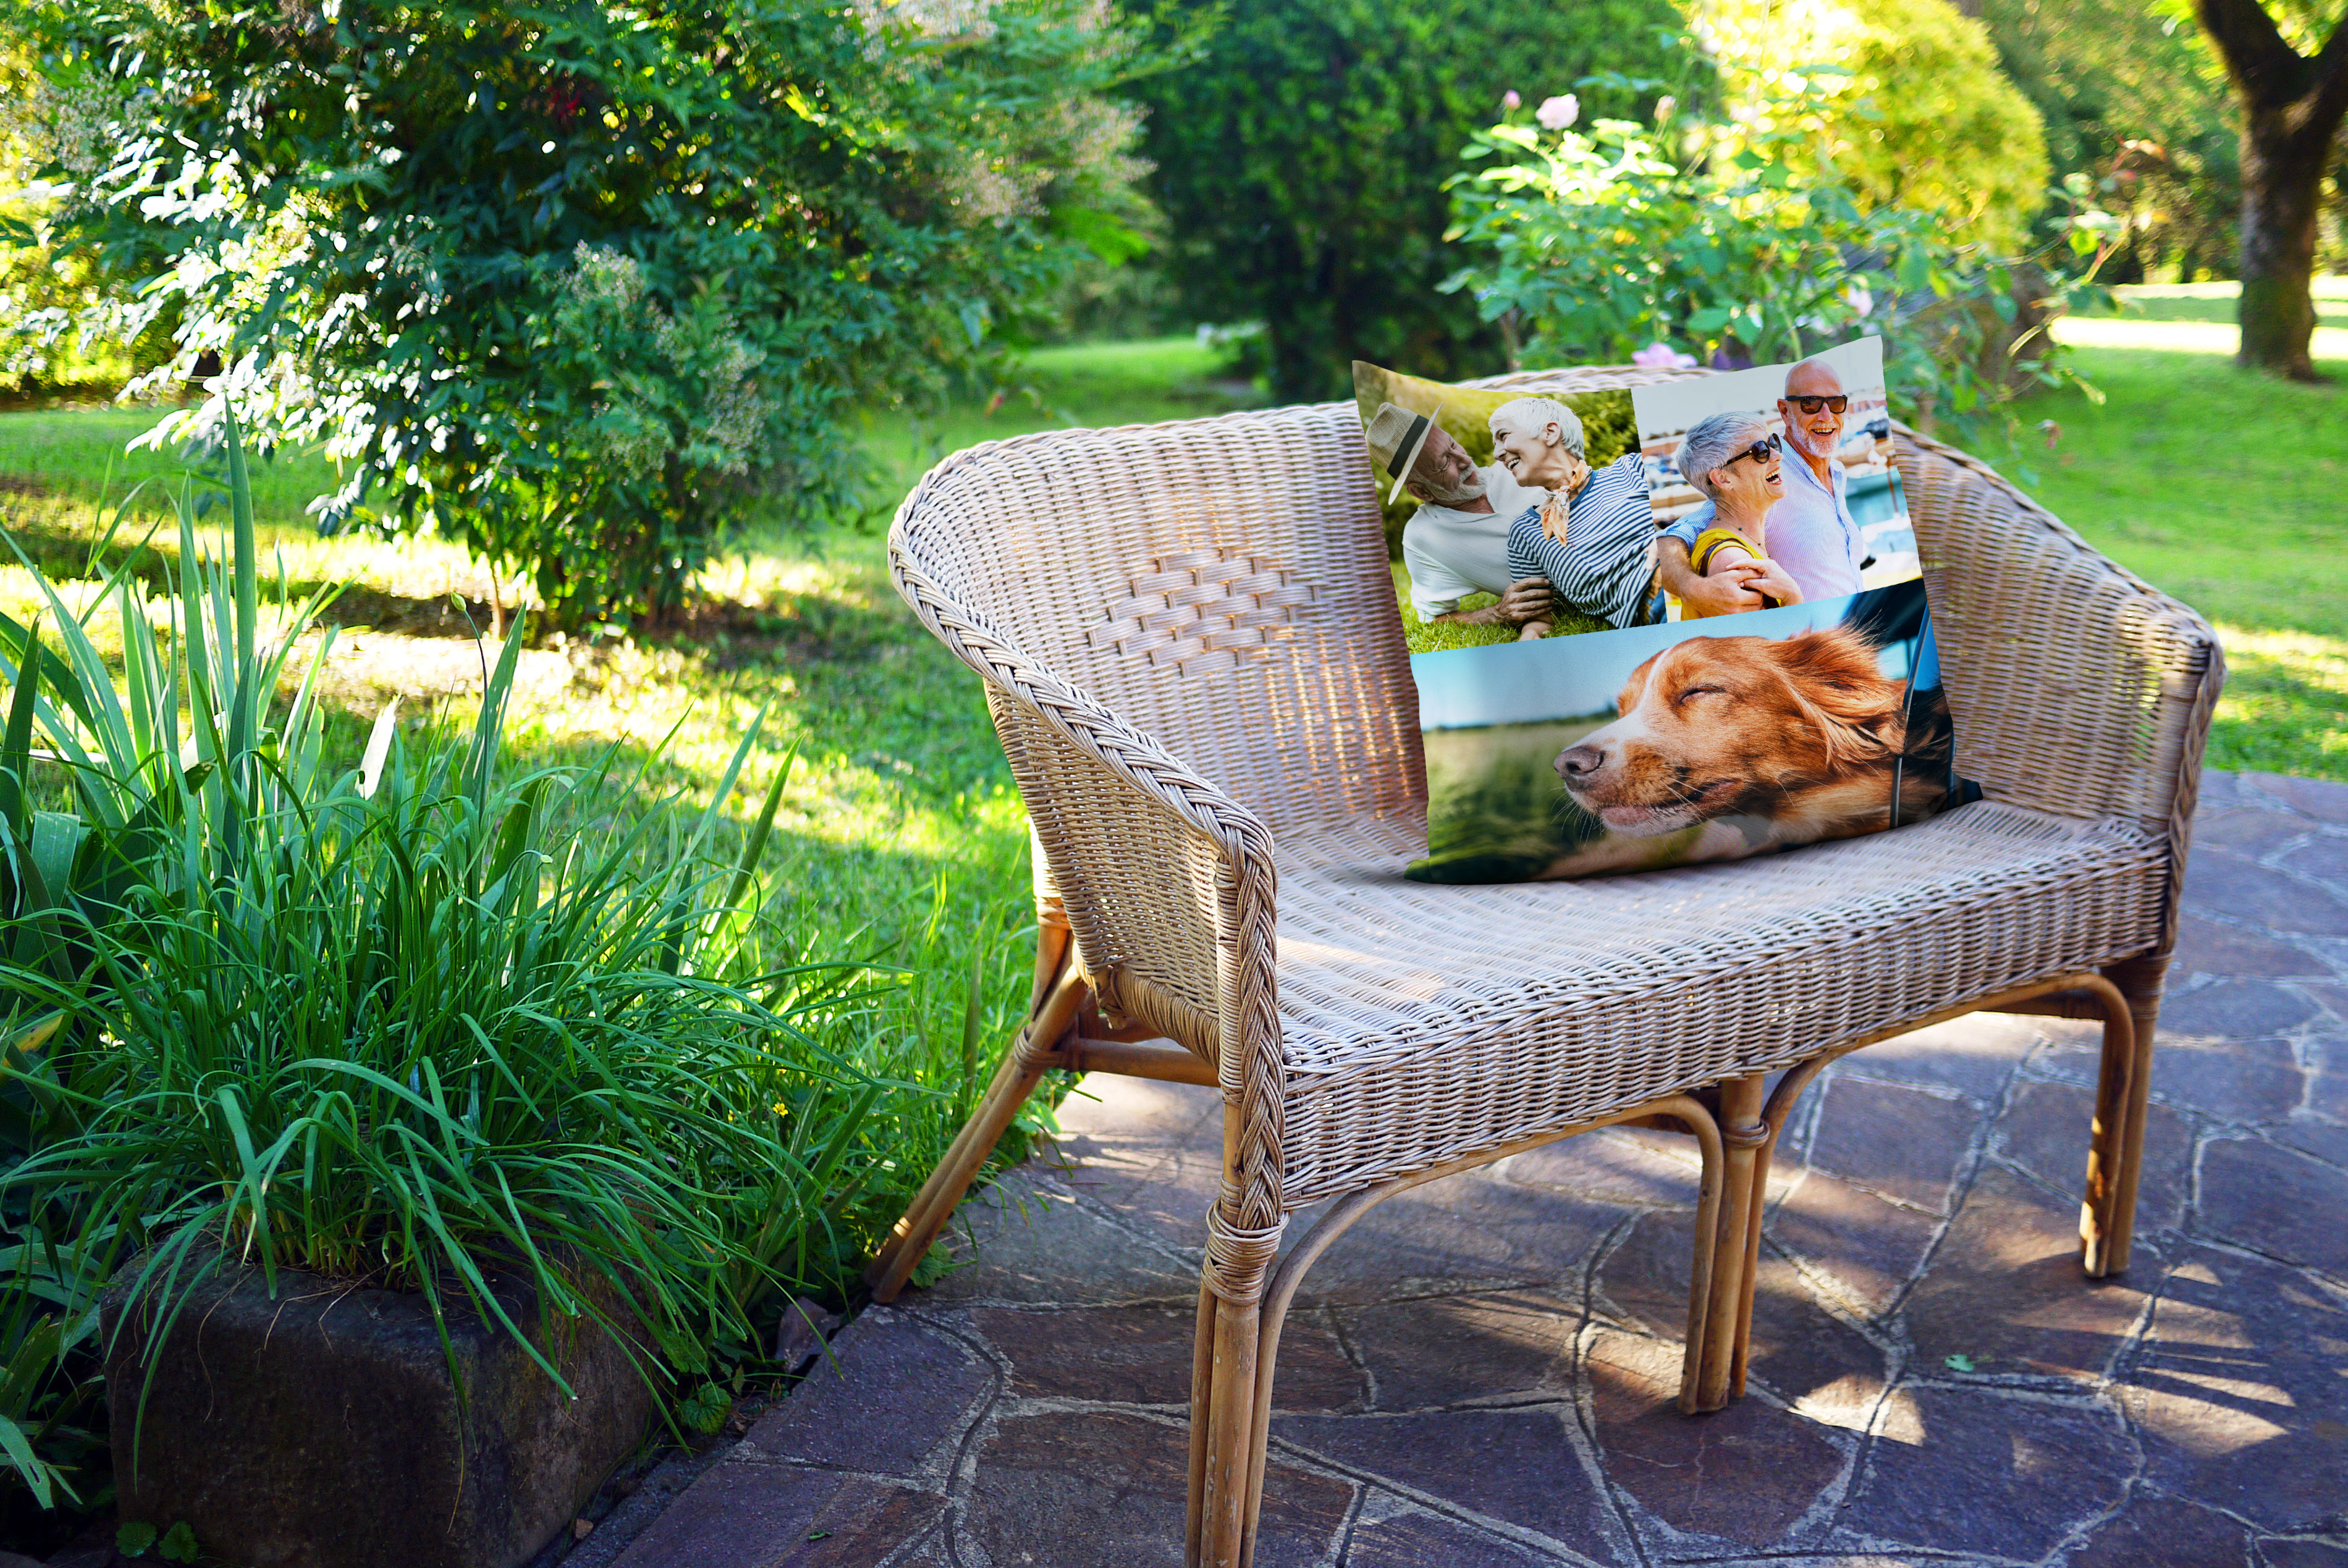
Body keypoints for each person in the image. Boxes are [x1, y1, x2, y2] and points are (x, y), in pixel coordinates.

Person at [1655, 355, 1869, 610]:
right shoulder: (1766, 480)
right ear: (1785, 412)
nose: (1826, 415)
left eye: (1835, 403)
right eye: (1810, 403)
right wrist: (1693, 589)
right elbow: (1670, 540)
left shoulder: (1837, 472)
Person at [1487, 395, 1660, 636]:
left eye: (1503, 436)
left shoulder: (1631, 469)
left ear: (1550, 433)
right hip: (1652, 610)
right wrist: (1530, 636)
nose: (1497, 453)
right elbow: (1539, 616)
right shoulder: (1526, 532)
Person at [1364, 402, 1545, 630]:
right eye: (1444, 462)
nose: (1465, 460)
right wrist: (1497, 614)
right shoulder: (1425, 537)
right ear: (1422, 491)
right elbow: (1431, 620)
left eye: (1453, 445)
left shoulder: (1515, 466)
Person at [1669, 411, 1803, 618]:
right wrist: (1793, 598)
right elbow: (1765, 648)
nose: (1778, 455)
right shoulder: (1732, 561)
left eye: (1773, 443)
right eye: (1760, 451)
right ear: (1723, 479)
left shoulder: (1739, 539)